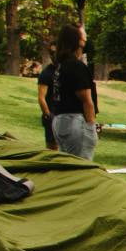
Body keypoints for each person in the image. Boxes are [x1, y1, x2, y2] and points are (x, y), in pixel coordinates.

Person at [38, 23, 98, 160]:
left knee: (69, 164)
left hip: (60, 121)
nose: (86, 38)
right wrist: (91, 127)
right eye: (83, 35)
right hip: (75, 122)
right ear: (76, 40)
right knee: (81, 168)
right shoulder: (75, 66)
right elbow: (86, 101)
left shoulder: (61, 66)